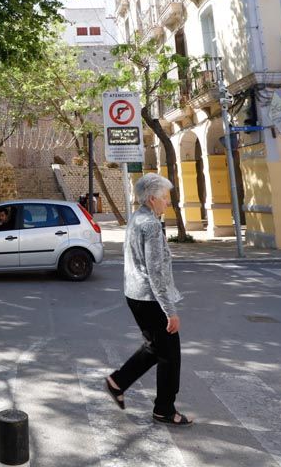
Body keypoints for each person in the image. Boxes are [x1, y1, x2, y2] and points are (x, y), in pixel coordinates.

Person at [104, 173, 192, 426]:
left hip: (135, 294)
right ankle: (164, 410)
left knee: (156, 348)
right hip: (150, 298)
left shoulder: (137, 218)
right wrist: (170, 311)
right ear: (152, 199)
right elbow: (155, 271)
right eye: (165, 198)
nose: (168, 203)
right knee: (170, 356)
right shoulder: (151, 225)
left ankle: (118, 382)